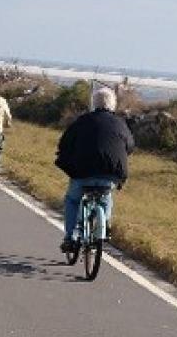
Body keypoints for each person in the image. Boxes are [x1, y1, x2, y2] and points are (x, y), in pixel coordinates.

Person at [55, 88, 134, 253]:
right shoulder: (120, 123)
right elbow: (130, 146)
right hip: (110, 173)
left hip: (82, 172)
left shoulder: (82, 121)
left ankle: (70, 237)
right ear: (113, 105)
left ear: (93, 103)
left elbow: (65, 143)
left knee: (72, 200)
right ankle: (105, 224)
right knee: (106, 197)